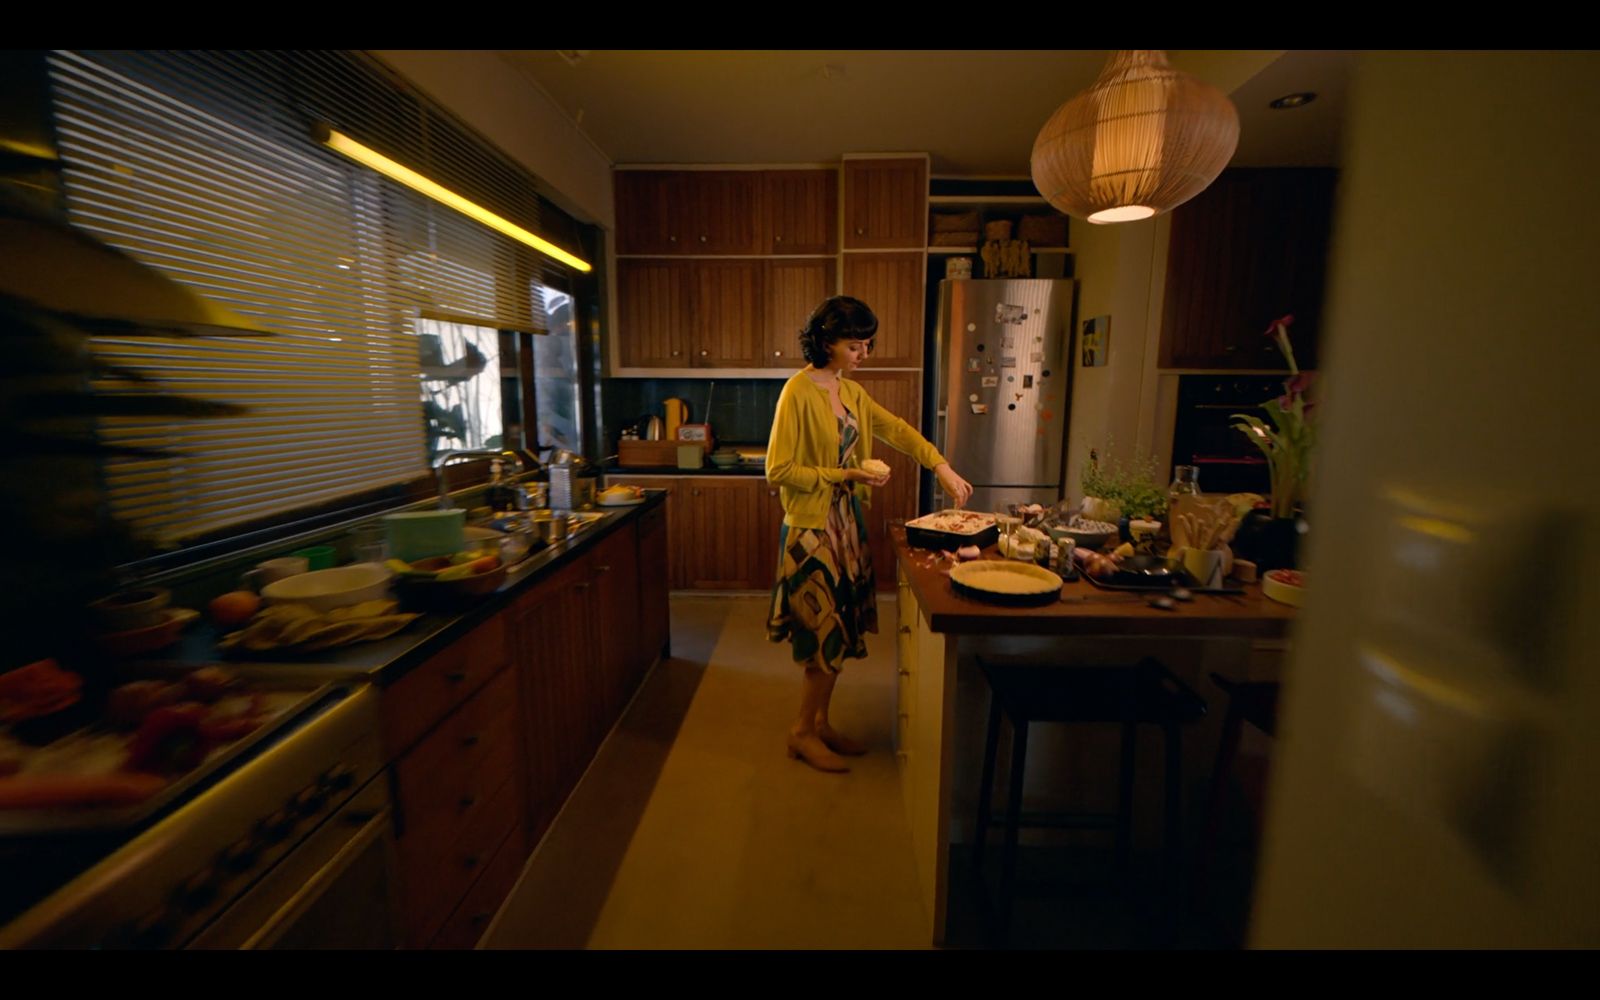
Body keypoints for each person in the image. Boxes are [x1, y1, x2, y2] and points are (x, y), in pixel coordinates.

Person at [765, 296, 973, 773]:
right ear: (826, 342)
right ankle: (799, 731)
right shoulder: (796, 392)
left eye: (867, 345)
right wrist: (847, 476)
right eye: (855, 346)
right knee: (821, 633)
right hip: (811, 530)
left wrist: (940, 466)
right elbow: (778, 470)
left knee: (840, 630)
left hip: (846, 524)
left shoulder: (850, 392)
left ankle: (819, 723)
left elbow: (896, 430)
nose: (864, 354)